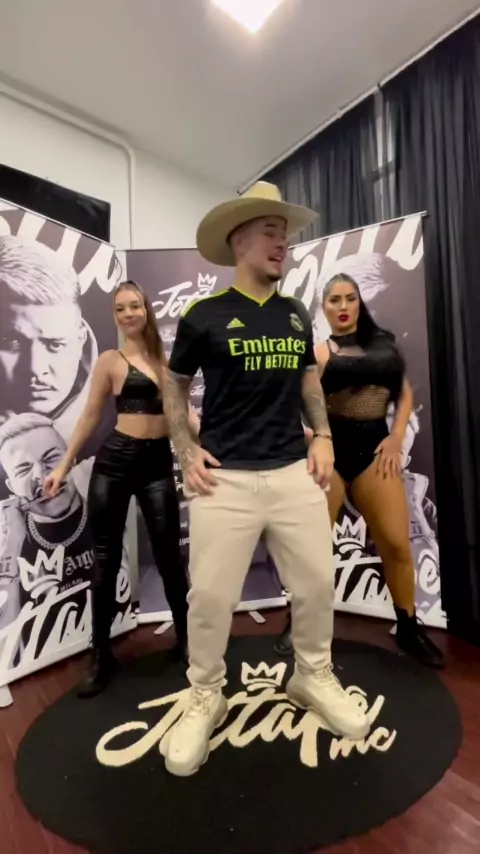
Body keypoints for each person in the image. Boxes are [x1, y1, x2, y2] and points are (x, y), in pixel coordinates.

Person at [160, 182, 371, 779]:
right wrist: (184, 447)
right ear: (239, 241)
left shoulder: (296, 313)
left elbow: (307, 380)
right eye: (271, 234)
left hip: (292, 472)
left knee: (316, 586)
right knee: (210, 599)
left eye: (285, 236)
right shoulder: (203, 315)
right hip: (223, 480)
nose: (283, 245)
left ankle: (312, 675)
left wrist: (323, 434)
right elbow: (174, 384)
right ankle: (206, 692)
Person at [274, 273, 444, 668]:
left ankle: (408, 626)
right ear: (324, 307)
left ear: (359, 302)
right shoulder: (318, 353)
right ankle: (300, 620)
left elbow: (404, 393)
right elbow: (291, 400)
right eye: (334, 300)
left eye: (350, 298)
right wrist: (313, 435)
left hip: (374, 452)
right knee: (313, 549)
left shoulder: (383, 347)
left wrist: (396, 436)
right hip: (331, 454)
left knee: (397, 545)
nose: (343, 306)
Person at [44, 280, 195, 698]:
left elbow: (187, 418)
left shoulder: (166, 363)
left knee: (169, 557)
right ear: (115, 316)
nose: (129, 314)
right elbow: (91, 417)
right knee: (106, 563)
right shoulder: (110, 361)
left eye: (135, 306)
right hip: (115, 464)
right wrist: (63, 465)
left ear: (147, 310)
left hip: (157, 465)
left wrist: (213, 450)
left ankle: (186, 640)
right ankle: (101, 656)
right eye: (121, 308)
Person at [0, 413, 97, 667]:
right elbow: (5, 654)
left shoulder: (102, 492)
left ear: (71, 458)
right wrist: (11, 549)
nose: (42, 476)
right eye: (23, 469)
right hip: (45, 669)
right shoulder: (7, 537)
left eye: (52, 458)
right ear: (11, 486)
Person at [0, 235, 96, 442]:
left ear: (81, 341)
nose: (35, 368)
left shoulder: (114, 416)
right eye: (12, 343)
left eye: (55, 344)